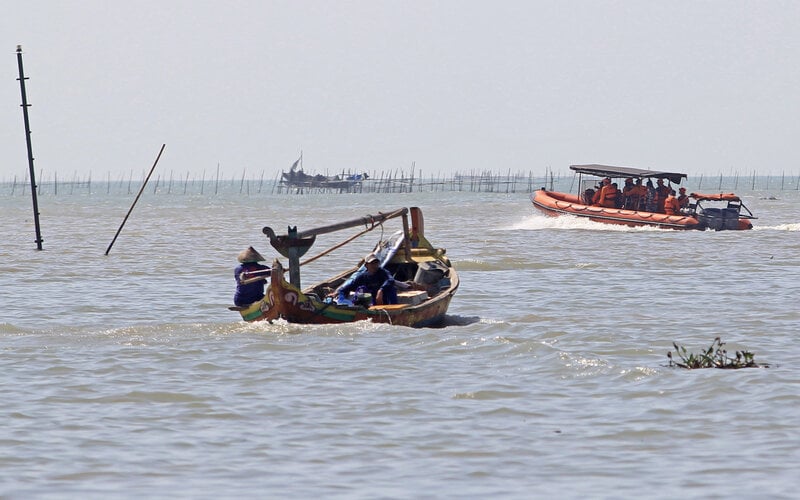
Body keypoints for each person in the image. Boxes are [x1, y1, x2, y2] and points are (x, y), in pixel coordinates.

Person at [331, 253, 400, 306]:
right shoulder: (362, 276)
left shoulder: (383, 272)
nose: (374, 265)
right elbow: (350, 286)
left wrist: (381, 290)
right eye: (372, 263)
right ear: (366, 265)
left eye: (376, 263)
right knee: (361, 290)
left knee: (391, 289)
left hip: (385, 298)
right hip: (372, 300)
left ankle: (394, 310)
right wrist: (336, 293)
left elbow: (390, 280)